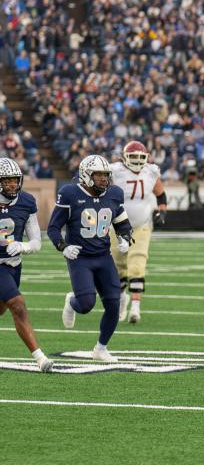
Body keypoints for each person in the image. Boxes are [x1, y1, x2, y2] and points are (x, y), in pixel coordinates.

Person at [47, 155, 134, 362]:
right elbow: (53, 227)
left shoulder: (114, 193)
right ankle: (72, 301)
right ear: (87, 175)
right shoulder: (70, 193)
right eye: (99, 175)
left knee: (114, 303)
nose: (104, 180)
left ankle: (101, 348)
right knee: (86, 304)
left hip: (103, 256)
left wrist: (126, 238)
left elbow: (122, 223)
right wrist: (63, 246)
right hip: (80, 257)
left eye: (106, 175)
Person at [0, 158, 54, 372]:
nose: (12, 185)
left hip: (14, 265)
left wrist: (21, 246)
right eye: (7, 181)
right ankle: (40, 358)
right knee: (18, 306)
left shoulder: (26, 202)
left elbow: (36, 242)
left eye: (15, 180)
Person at [110, 141, 167, 324]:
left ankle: (135, 308)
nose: (136, 161)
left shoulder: (150, 171)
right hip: (117, 225)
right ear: (124, 157)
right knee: (117, 267)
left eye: (139, 157)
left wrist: (162, 210)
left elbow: (160, 193)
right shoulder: (115, 171)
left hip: (141, 225)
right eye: (132, 157)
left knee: (137, 264)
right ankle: (120, 301)